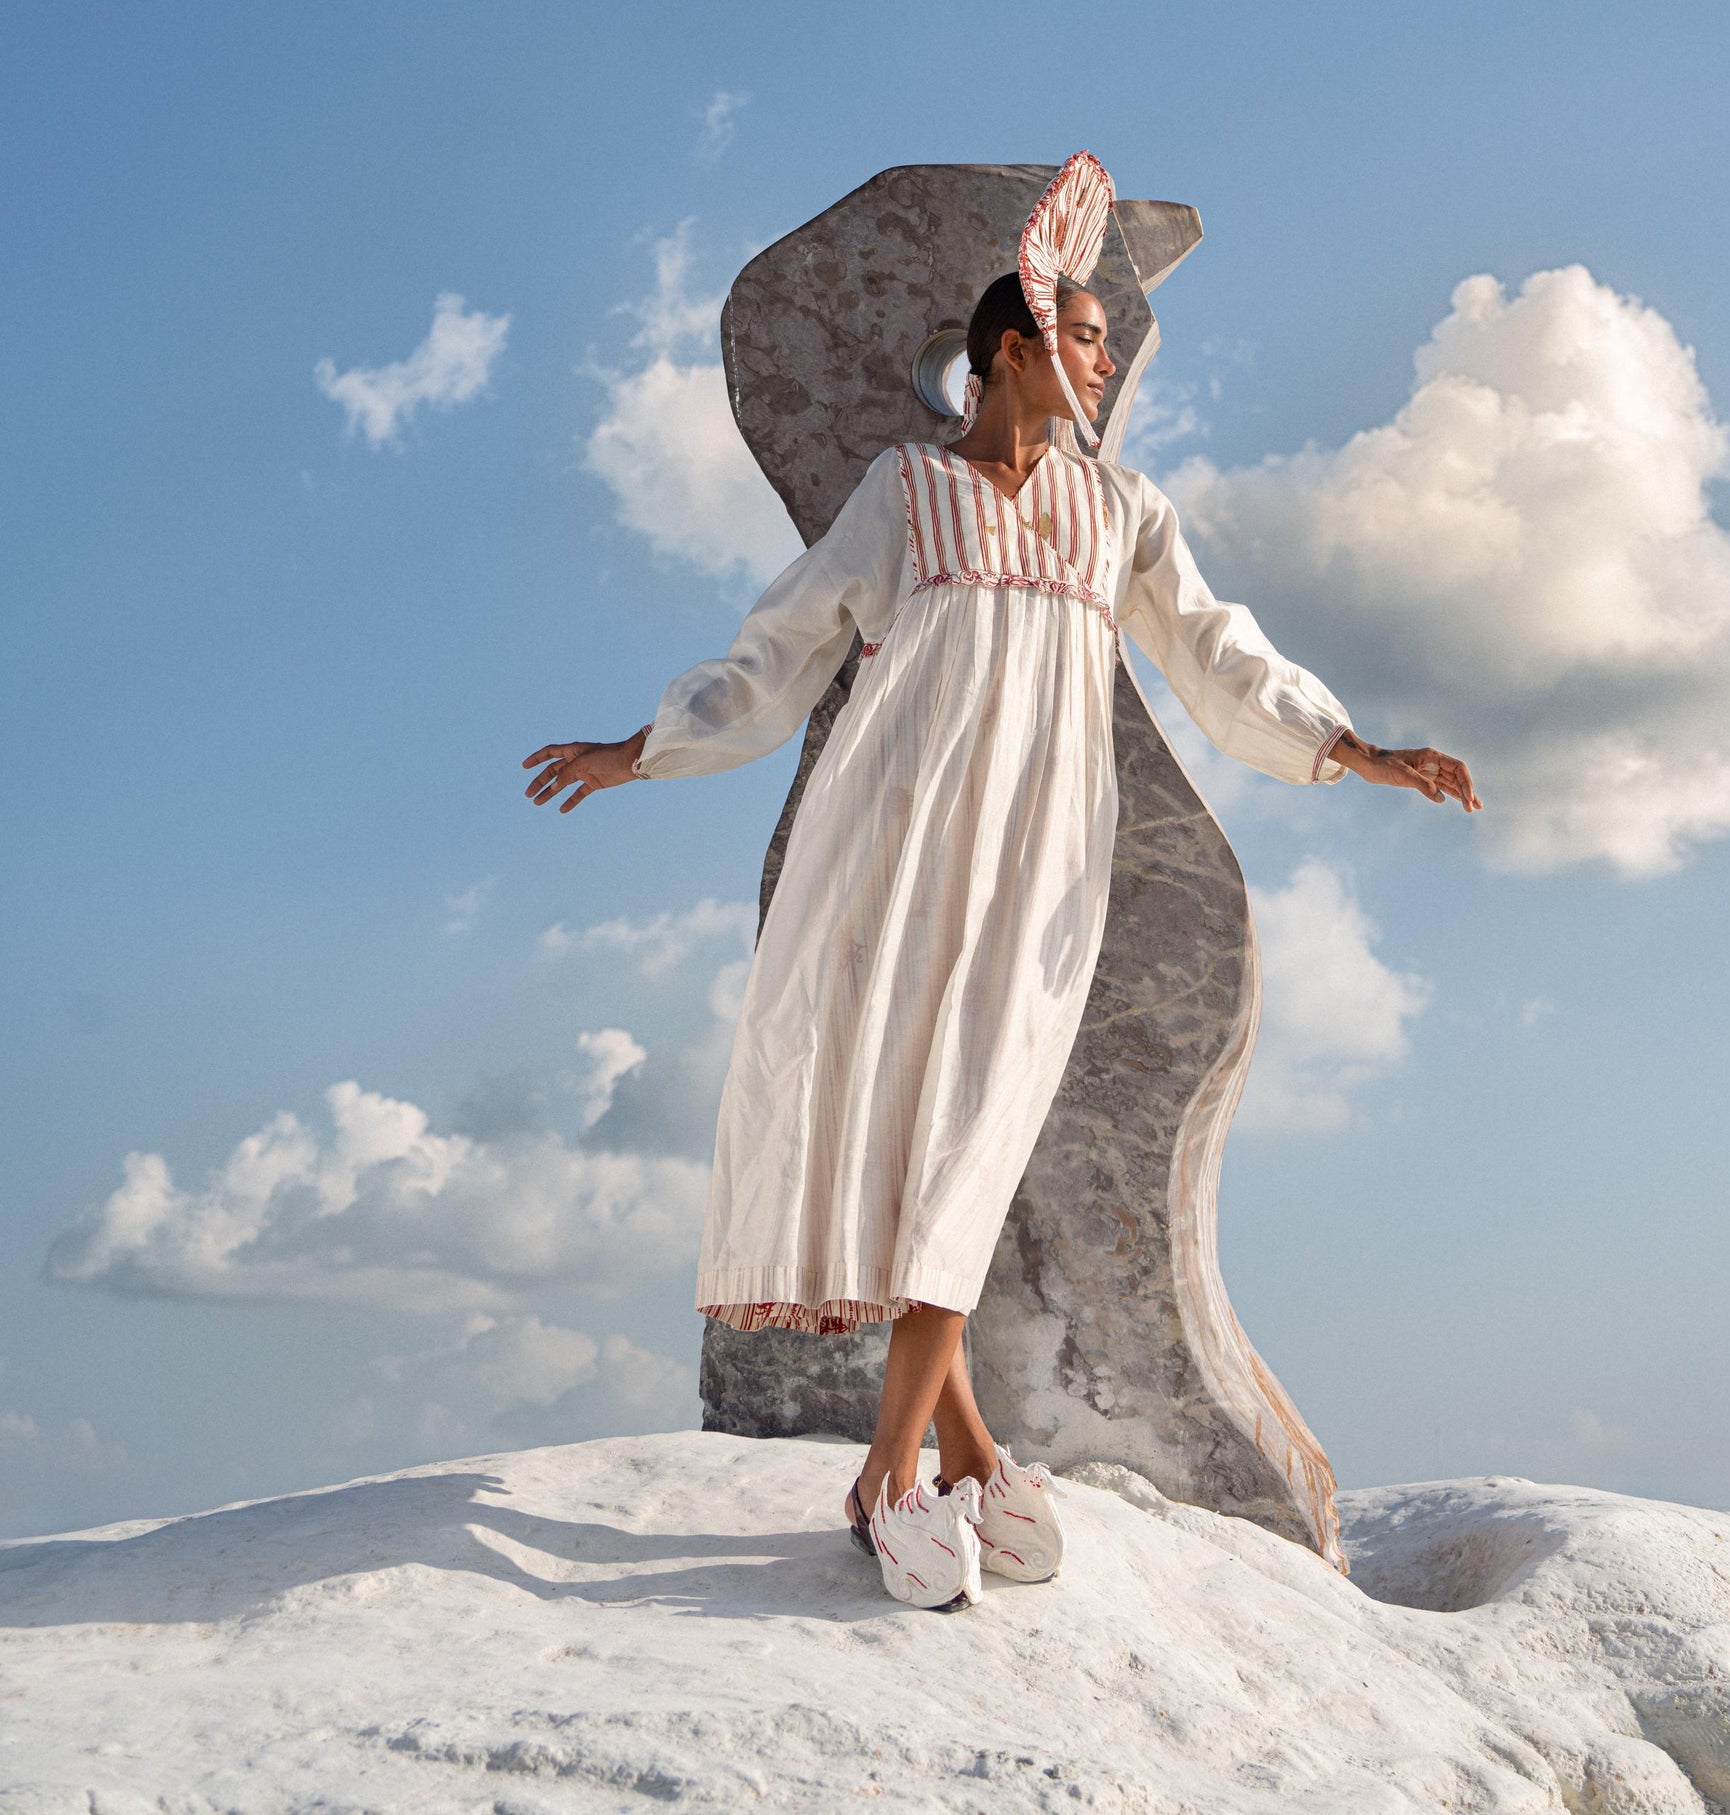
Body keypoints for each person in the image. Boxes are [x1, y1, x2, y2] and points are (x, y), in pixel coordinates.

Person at [524, 154, 1478, 1612]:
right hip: (892, 852)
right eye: (1085, 337)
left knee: (973, 1138)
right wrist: (645, 749)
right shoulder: (904, 492)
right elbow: (780, 644)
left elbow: (1216, 648)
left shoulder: (1122, 512)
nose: (1104, 362)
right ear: (1014, 349)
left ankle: (916, 1465)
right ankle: (918, 1468)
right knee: (920, 1149)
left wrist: (1354, 748)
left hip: (1040, 866)